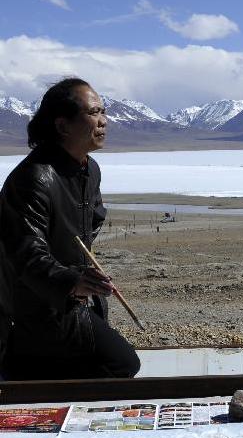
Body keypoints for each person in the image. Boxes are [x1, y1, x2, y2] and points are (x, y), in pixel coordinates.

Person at [0, 77, 140, 380]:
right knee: (122, 363)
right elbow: (26, 254)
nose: (104, 122)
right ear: (63, 126)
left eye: (103, 111)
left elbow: (91, 219)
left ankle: (24, 370)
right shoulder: (33, 179)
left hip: (68, 298)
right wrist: (72, 280)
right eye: (94, 113)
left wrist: (82, 278)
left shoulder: (89, 168)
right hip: (36, 304)